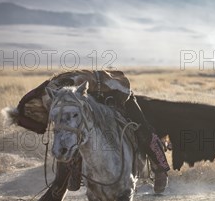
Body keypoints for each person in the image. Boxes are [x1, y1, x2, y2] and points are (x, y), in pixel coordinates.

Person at [13, 70, 170, 193]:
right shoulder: (54, 91)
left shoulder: (81, 86)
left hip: (119, 93)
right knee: (77, 131)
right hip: (89, 97)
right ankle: (75, 168)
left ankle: (160, 169)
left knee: (142, 128)